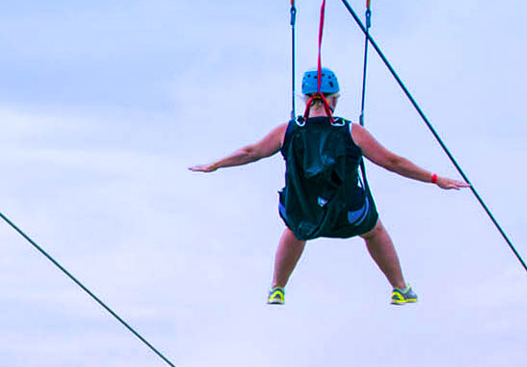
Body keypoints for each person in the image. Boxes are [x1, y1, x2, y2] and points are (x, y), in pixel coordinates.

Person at [190, 68, 468, 305]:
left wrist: (216, 164)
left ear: (305, 99)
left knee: (295, 230)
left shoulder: (288, 130)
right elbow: (392, 162)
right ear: (334, 99)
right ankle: (400, 288)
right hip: (349, 215)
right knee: (374, 231)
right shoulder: (351, 131)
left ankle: (277, 287)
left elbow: (251, 152)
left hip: (305, 214)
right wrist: (435, 179)